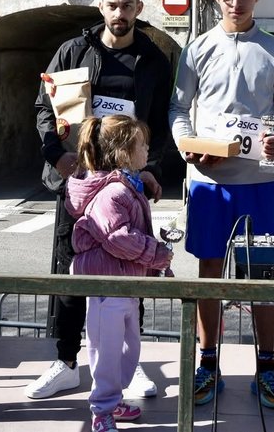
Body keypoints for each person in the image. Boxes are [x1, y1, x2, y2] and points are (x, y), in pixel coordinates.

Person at [29, 0, 173, 400]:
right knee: (71, 273)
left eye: (127, 5)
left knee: (130, 272)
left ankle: (133, 365)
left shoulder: (153, 60)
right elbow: (43, 107)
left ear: (139, 9)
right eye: (112, 5)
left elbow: (161, 124)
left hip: (126, 190)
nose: (119, 13)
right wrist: (58, 155)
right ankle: (66, 361)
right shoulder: (74, 51)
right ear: (100, 7)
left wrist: (153, 169)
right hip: (78, 187)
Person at [168, 0, 274, 408]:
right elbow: (179, 110)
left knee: (262, 275)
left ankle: (266, 366)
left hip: (260, 181)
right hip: (209, 179)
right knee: (208, 274)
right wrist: (187, 146)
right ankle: (208, 363)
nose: (236, 2)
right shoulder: (197, 48)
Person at [65, 115, 174, 432]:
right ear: (125, 153)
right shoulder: (112, 193)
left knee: (128, 350)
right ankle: (101, 410)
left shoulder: (126, 187)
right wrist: (155, 254)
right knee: (107, 353)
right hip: (107, 286)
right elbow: (117, 237)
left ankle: (112, 401)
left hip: (124, 284)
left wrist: (156, 259)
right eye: (142, 144)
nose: (148, 149)